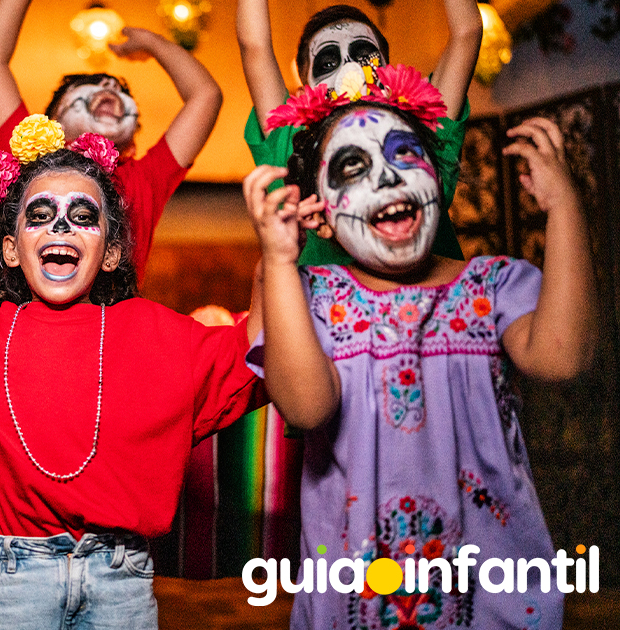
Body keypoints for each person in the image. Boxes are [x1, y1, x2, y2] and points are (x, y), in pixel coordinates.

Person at [0, 115, 264, 628]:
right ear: (10, 248)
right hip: (9, 582)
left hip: (122, 581)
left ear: (112, 253)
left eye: (82, 215)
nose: (61, 227)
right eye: (41, 214)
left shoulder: (161, 335)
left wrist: (277, 245)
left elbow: (262, 351)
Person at [242, 68, 592, 628]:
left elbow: (562, 359)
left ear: (437, 177)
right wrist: (282, 261)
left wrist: (564, 208)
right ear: (321, 218)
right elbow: (306, 407)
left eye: (405, 154)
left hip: (494, 599)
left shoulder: (492, 285)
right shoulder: (313, 297)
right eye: (353, 167)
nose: (387, 178)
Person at [0, 0, 223, 281]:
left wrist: (155, 43)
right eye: (88, 86)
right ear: (52, 122)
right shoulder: (28, 158)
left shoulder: (140, 180)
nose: (109, 87)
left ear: (130, 143)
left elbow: (206, 95)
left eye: (120, 90)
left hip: (116, 323)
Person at [236, 0, 481, 266]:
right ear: (305, 87)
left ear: (387, 69)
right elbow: (254, 46)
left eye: (365, 55)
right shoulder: (291, 147)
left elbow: (466, 33)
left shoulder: (419, 135)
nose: (349, 69)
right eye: (328, 63)